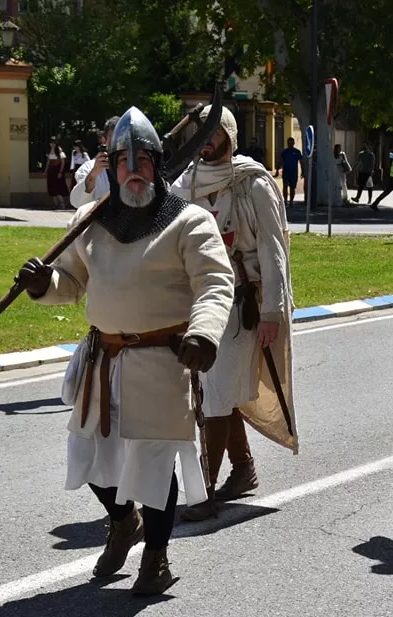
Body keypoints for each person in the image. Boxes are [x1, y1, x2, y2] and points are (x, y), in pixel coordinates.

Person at [15, 107, 235, 595]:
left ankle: (155, 556)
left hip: (162, 362)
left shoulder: (189, 221)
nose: (133, 171)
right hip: (102, 362)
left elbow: (216, 284)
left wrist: (204, 333)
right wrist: (42, 282)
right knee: (91, 457)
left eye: (142, 162)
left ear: (158, 165)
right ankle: (122, 520)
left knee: (155, 465)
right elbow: (70, 282)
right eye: (123, 163)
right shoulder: (90, 220)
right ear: (111, 168)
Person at [171, 105, 299, 521]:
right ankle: (243, 469)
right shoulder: (184, 183)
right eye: (200, 134)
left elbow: (272, 248)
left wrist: (272, 311)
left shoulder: (251, 181)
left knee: (218, 391)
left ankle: (203, 489)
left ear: (229, 134)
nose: (206, 142)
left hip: (241, 302)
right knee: (213, 390)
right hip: (197, 301)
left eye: (213, 133)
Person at [71, 116, 120, 209]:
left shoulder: (139, 166)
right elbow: (77, 202)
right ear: (104, 140)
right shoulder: (89, 168)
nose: (119, 142)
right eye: (115, 138)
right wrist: (94, 174)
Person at [45, 138, 69, 210]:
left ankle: (62, 204)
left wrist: (60, 172)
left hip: (57, 170)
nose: (52, 145)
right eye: (51, 143)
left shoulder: (59, 150)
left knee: (57, 187)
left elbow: (62, 163)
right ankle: (55, 204)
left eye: (53, 143)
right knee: (51, 187)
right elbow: (48, 162)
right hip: (51, 171)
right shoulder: (49, 151)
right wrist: (45, 170)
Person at [279, 137, 303, 206]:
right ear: (287, 143)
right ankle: (285, 200)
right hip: (286, 172)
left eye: (291, 143)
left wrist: (303, 171)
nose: (290, 144)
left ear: (293, 143)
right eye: (289, 143)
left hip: (294, 173)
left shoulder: (297, 152)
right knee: (285, 187)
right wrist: (278, 170)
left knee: (292, 188)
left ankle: (291, 201)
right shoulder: (284, 152)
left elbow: (301, 161)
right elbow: (280, 161)